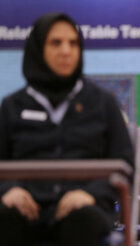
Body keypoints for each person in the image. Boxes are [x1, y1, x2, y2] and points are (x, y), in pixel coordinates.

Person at [0, 13, 133, 246]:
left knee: (82, 222)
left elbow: (125, 164)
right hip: (25, 208)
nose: (66, 51)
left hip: (84, 208)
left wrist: (91, 194)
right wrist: (9, 190)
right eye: (56, 42)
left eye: (73, 43)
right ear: (38, 48)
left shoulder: (102, 103)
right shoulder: (12, 106)